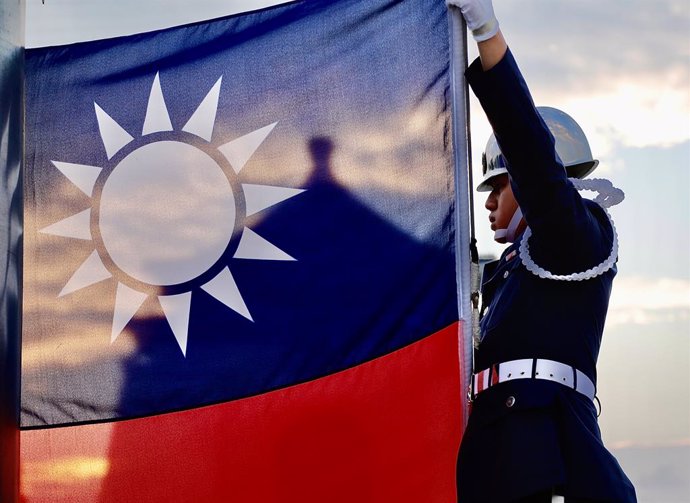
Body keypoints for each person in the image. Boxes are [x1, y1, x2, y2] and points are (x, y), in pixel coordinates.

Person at [446, 1, 637, 502]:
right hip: (493, 466)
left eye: (500, 184)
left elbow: (533, 157)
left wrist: (488, 35)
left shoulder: (576, 238)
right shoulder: (500, 276)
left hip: (551, 466)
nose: (487, 202)